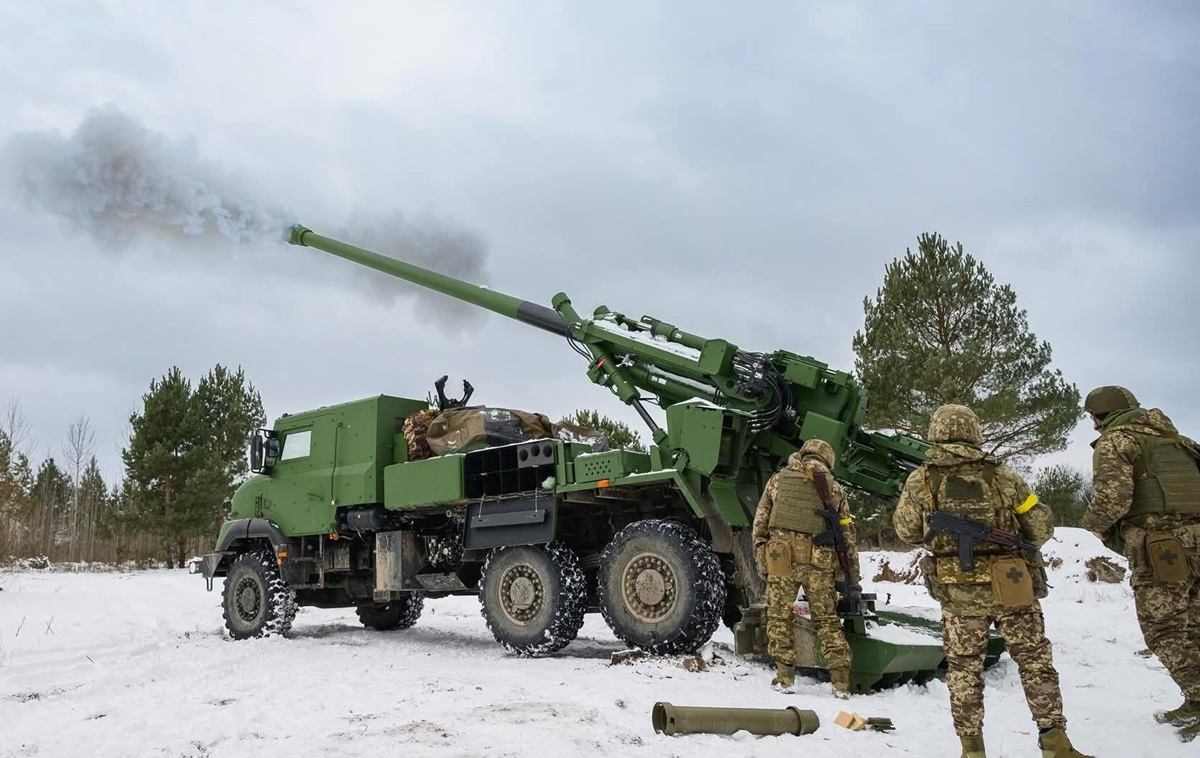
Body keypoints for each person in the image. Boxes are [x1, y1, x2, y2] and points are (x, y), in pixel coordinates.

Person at [893, 404, 1090, 758]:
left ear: (936, 432)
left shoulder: (920, 480)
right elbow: (1040, 527)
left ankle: (972, 750)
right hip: (1011, 582)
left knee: (964, 669)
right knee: (1033, 660)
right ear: (974, 432)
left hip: (958, 590)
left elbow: (906, 531)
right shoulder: (1003, 476)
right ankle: (1056, 744)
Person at [1082, 385, 1200, 743]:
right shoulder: (1180, 441)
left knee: (1163, 627)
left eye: (1093, 419)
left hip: (1163, 550)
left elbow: (1113, 499)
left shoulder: (1116, 442)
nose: (1094, 428)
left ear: (1101, 417)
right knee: (1194, 622)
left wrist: (1095, 525)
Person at [753, 438, 858, 695]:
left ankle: (785, 678)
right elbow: (848, 538)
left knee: (779, 617)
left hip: (781, 559)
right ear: (827, 460)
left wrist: (761, 558)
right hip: (818, 563)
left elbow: (760, 524)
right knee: (828, 621)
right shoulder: (835, 489)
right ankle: (841, 682)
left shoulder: (777, 481)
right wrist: (851, 575)